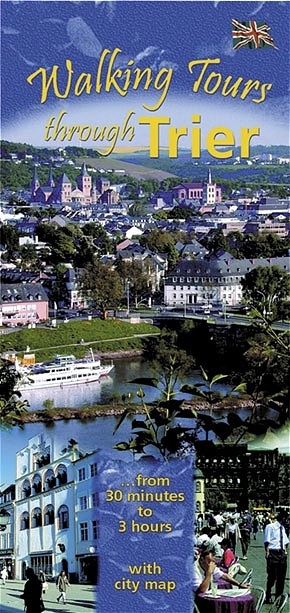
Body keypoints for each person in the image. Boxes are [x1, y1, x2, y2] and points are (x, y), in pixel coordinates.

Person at [264, 512, 289, 604]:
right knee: (272, 576)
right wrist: (267, 553)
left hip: (281, 554)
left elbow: (285, 541)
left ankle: (278, 597)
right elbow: (267, 541)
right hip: (273, 553)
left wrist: (285, 552)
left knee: (281, 577)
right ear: (283, 518)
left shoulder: (282, 528)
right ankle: (268, 594)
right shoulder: (270, 527)